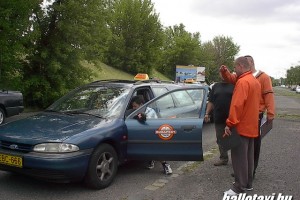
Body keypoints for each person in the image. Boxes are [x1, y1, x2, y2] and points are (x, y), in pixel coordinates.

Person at [220, 55, 275, 178]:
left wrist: (270, 113)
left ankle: (250, 172)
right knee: (244, 147)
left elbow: (269, 95)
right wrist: (225, 72)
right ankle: (243, 172)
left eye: (247, 61)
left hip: (257, 115)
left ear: (251, 63)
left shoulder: (263, 77)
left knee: (253, 146)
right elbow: (230, 78)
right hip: (244, 116)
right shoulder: (243, 77)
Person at [222, 56, 261, 196]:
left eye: (235, 67)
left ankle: (238, 187)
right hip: (252, 126)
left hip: (241, 126)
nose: (234, 69)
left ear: (240, 66)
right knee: (248, 157)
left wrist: (230, 124)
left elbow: (237, 105)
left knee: (239, 158)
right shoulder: (254, 81)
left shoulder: (243, 82)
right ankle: (248, 184)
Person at [130, 95, 173, 175]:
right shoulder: (136, 111)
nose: (134, 108)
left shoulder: (150, 112)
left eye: (135, 106)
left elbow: (148, 124)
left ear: (141, 105)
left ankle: (165, 164)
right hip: (142, 134)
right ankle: (151, 159)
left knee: (155, 148)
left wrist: (140, 117)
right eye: (133, 106)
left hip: (153, 134)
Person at [204, 72, 234, 166]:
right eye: (221, 73)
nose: (223, 75)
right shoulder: (215, 86)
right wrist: (207, 113)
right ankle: (223, 158)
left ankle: (236, 161)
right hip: (219, 117)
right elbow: (211, 101)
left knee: (234, 139)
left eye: (224, 73)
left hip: (233, 118)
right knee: (220, 139)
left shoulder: (235, 85)